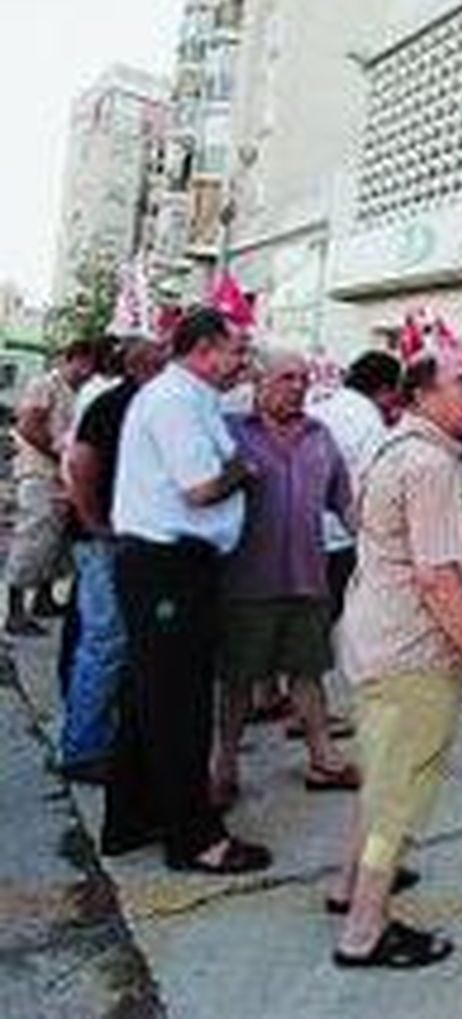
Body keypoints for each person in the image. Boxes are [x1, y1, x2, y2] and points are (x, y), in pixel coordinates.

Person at [328, 350, 462, 969]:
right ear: (421, 393)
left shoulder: (403, 448)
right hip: (414, 652)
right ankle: (364, 929)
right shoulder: (428, 463)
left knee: (384, 777)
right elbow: (436, 576)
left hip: (385, 640)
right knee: (399, 797)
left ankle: (350, 884)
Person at [101, 307, 270, 874]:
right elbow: (199, 488)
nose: (242, 361)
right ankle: (195, 838)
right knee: (178, 704)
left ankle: (132, 818)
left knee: (149, 698)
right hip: (167, 566)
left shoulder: (194, 397)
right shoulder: (174, 399)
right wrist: (242, 471)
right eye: (235, 350)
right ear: (204, 349)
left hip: (176, 565)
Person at [211, 350, 358, 808]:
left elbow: (345, 503)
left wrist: (381, 546)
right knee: (238, 679)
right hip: (245, 581)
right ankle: (225, 764)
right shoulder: (232, 432)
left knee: (308, 673)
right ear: (260, 382)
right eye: (287, 378)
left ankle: (323, 759)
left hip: (307, 578)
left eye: (304, 379)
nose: (298, 387)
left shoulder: (321, 436)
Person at [57, 338, 166, 783]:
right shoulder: (116, 404)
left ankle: (96, 734)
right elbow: (81, 463)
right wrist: (95, 522)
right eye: (163, 361)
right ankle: (83, 748)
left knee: (107, 638)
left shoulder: (143, 403)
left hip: (121, 537)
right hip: (104, 539)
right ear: (142, 365)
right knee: (105, 640)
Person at [5, 339, 96, 635]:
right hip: (39, 472)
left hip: (60, 473)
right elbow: (28, 426)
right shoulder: (45, 384)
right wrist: (60, 454)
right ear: (71, 359)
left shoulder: (78, 390)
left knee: (55, 543)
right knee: (33, 539)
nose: (87, 370)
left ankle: (42, 599)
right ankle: (15, 610)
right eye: (84, 363)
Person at [307, 350, 402, 619]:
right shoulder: (371, 425)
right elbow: (372, 488)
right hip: (342, 538)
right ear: (385, 389)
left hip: (302, 534)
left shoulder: (318, 407)